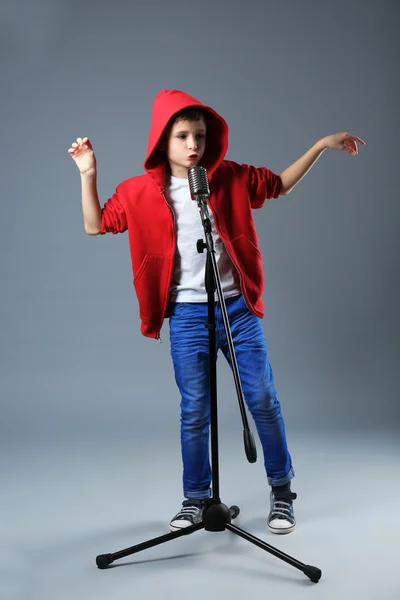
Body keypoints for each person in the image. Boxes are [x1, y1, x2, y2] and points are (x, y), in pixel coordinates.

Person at [68, 89, 365, 535]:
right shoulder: (137, 192)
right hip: (187, 316)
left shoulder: (227, 178)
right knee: (195, 410)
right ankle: (196, 498)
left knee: (262, 398)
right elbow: (95, 224)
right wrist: (88, 174)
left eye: (200, 137)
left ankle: (282, 490)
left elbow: (278, 184)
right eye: (183, 136)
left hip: (237, 311)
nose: (193, 146)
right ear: (162, 142)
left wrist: (321, 146)